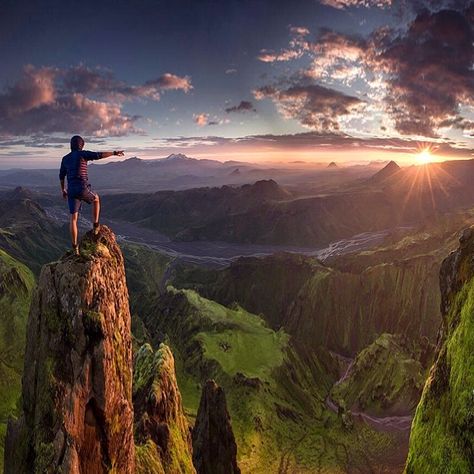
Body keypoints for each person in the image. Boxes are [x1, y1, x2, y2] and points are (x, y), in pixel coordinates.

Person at [59, 135, 124, 254]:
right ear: (81, 145)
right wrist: (114, 152)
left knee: (73, 219)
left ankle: (75, 248)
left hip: (71, 191)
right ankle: (95, 226)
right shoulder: (83, 154)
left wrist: (63, 190)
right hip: (82, 188)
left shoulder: (65, 159)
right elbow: (99, 155)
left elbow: (61, 176)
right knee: (96, 199)